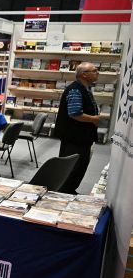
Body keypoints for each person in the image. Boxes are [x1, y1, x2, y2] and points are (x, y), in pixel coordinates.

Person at [54, 62, 100, 194]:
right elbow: (75, 113)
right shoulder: (75, 89)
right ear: (84, 74)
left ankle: (69, 190)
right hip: (74, 138)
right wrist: (94, 119)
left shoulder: (85, 88)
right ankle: (63, 193)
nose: (97, 72)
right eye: (94, 70)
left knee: (80, 166)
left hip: (81, 137)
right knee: (71, 167)